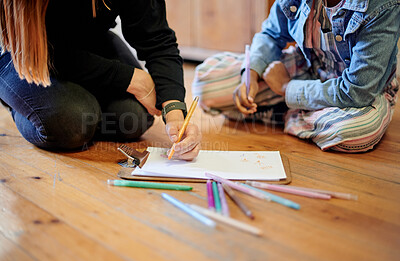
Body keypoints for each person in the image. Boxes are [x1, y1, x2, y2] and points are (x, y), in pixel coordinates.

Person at [0, 0, 201, 160]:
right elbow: (54, 52)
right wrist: (130, 78)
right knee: (71, 124)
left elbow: (157, 39)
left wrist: (175, 113)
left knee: (134, 118)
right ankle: (20, 100)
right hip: (24, 51)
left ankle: (84, 110)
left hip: (88, 43)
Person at [192, 0, 399, 152]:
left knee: (355, 132)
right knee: (206, 86)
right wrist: (251, 75)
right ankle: (308, 115)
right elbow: (271, 34)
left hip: (356, 95)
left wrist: (286, 88)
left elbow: (357, 91)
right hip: (307, 69)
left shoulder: (383, 6)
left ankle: (285, 113)